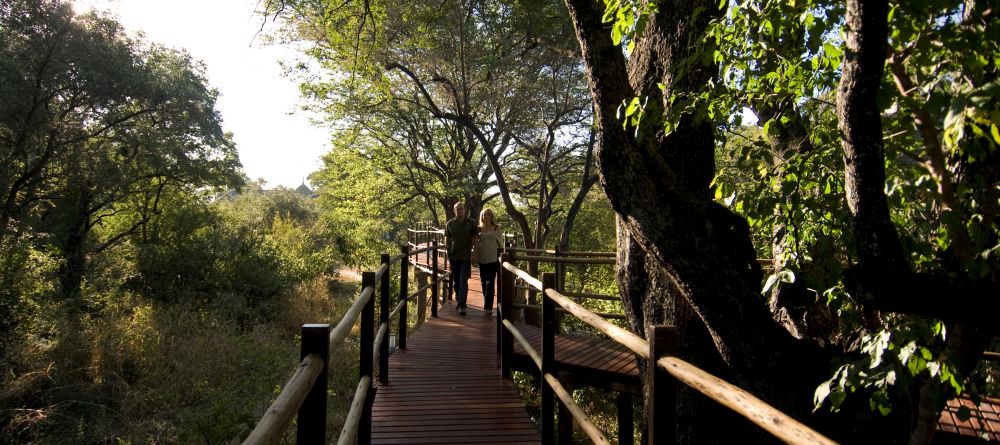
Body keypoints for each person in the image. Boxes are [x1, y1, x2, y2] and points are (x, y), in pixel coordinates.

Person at [445, 202, 475, 315]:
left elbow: (475, 239)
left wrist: (475, 254)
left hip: (466, 256)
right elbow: (447, 239)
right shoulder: (449, 224)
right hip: (453, 256)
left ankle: (462, 305)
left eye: (461, 209)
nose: (460, 211)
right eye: (457, 209)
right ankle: (459, 296)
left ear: (465, 210)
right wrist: (447, 252)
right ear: (454, 210)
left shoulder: (471, 223)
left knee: (463, 281)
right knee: (456, 282)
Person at [476, 208, 503, 316]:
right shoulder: (478, 229)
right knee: (483, 282)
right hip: (482, 259)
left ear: (491, 216)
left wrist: (503, 257)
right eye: (484, 215)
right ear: (481, 217)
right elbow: (476, 244)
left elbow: (501, 244)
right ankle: (487, 303)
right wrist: (474, 256)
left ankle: (488, 307)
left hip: (493, 259)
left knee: (490, 282)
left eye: (488, 215)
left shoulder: (496, 228)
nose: (486, 217)